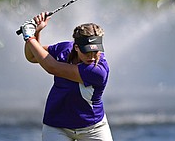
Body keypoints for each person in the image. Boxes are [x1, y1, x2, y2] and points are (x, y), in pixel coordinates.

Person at [20, 12, 113, 141]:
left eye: (95, 51)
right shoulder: (64, 49)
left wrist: (29, 38)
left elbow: (52, 67)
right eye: (87, 52)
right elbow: (33, 56)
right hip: (57, 125)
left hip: (93, 128)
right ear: (76, 47)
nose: (92, 57)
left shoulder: (98, 70)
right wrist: (36, 32)